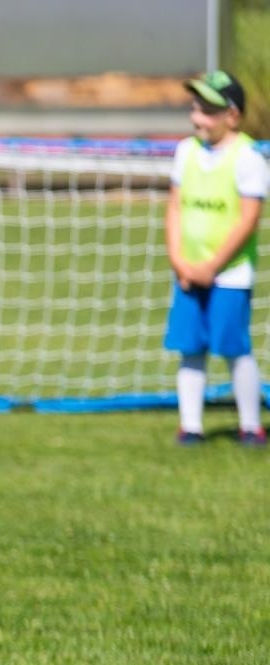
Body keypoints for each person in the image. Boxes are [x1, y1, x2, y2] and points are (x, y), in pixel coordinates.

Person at [166, 69, 268, 446]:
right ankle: (190, 427)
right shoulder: (185, 151)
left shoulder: (247, 157)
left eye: (208, 110)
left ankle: (250, 425)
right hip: (189, 272)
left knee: (233, 348)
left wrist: (212, 265)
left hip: (229, 275)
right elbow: (174, 209)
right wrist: (180, 260)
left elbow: (248, 218)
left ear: (232, 116)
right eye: (195, 108)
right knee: (190, 347)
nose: (198, 118)